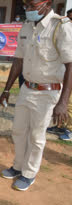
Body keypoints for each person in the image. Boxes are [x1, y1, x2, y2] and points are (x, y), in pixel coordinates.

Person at [0, 0, 72, 191]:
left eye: (32, 5)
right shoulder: (26, 26)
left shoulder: (60, 26)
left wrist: (63, 101)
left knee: (36, 136)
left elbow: (70, 65)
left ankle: (29, 173)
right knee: (18, 130)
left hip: (48, 92)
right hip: (26, 88)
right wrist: (7, 89)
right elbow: (18, 60)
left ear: (47, 4)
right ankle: (17, 166)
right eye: (26, 6)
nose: (28, 10)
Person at [47, 8, 72, 140]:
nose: (69, 20)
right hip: (63, 72)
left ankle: (70, 130)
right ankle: (60, 126)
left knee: (69, 102)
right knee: (60, 100)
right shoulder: (66, 31)